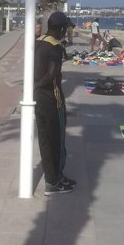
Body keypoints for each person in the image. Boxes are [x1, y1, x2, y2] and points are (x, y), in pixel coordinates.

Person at [35, 11, 76, 195]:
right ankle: (54, 181)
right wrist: (38, 85)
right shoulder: (55, 48)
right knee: (56, 142)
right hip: (53, 100)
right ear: (60, 28)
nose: (65, 32)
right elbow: (51, 74)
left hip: (39, 99)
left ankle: (53, 177)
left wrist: (33, 88)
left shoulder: (40, 41)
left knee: (45, 141)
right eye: (65, 28)